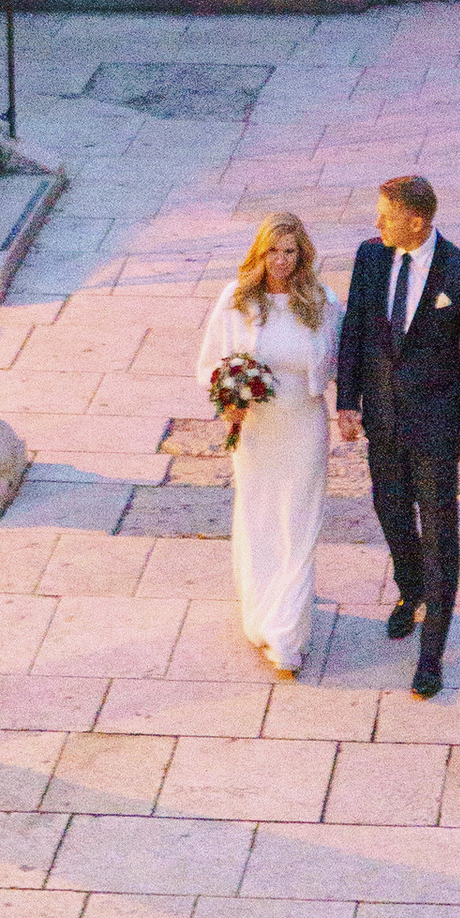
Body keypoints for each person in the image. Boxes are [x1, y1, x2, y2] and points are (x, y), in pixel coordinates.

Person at [336, 172, 460, 698]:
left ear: (417, 220)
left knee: (440, 531)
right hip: (382, 418)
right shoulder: (370, 257)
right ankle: (411, 589)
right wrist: (347, 402)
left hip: (437, 425)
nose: (376, 221)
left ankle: (432, 652)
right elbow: (356, 327)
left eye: (386, 213)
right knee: (390, 511)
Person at [194, 208, 337, 676]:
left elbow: (344, 366)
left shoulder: (321, 301)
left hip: (303, 424)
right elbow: (209, 366)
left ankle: (287, 631)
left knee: (299, 521)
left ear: (302, 255)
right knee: (258, 518)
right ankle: (260, 613)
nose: (280, 260)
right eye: (273, 250)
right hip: (256, 429)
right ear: (260, 251)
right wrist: (228, 401)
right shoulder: (236, 300)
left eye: (290, 252)